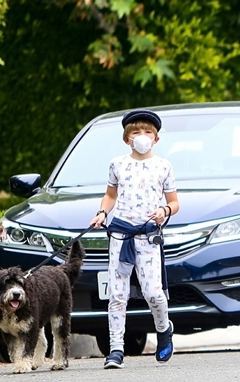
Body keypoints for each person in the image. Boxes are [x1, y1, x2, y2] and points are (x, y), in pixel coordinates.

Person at [90, 109, 180, 368]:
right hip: (120, 235)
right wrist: (102, 212)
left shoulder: (164, 166)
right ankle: (116, 349)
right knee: (117, 295)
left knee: (153, 292)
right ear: (126, 138)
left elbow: (174, 203)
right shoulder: (117, 164)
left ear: (156, 138)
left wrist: (164, 210)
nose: (142, 136)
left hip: (148, 237)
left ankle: (164, 330)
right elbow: (110, 196)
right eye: (136, 132)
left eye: (147, 132)